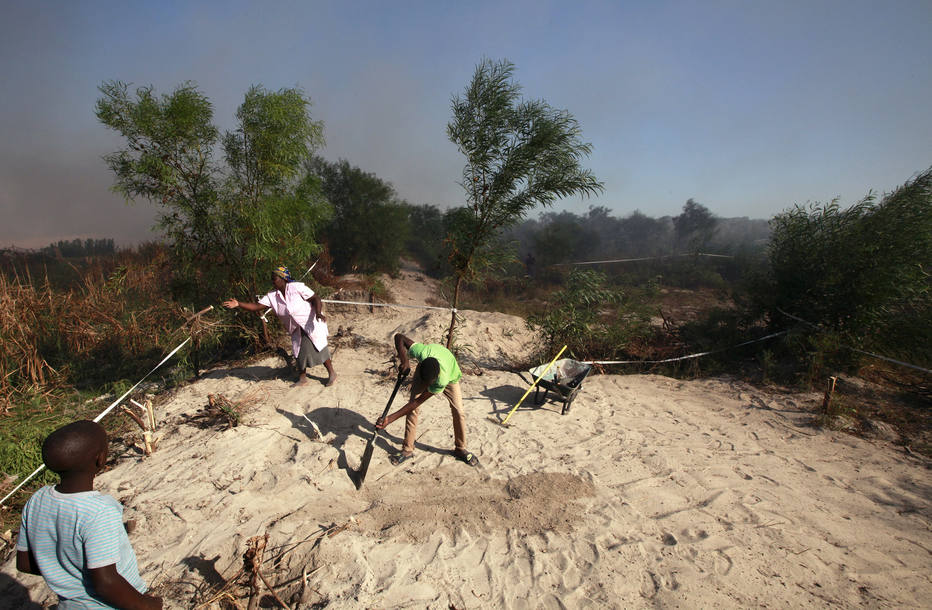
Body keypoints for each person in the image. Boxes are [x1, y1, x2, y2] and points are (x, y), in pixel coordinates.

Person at [16, 420, 162, 610]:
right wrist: (148, 605)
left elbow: (24, 564)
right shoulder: (99, 512)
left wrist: (67, 576)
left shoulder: (36, 500)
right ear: (100, 459)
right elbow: (106, 584)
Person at [375, 333, 479, 466]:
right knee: (413, 411)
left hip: (451, 376)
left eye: (430, 384)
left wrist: (390, 419)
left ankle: (460, 448)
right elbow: (398, 337)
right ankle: (407, 450)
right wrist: (405, 360)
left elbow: (416, 402)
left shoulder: (442, 380)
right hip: (428, 368)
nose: (428, 386)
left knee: (458, 411)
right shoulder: (422, 352)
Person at [224, 266, 336, 387]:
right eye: (272, 279)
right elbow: (256, 306)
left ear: (283, 278)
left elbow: (316, 298)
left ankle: (332, 373)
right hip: (295, 328)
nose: (273, 281)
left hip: (310, 322)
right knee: (298, 352)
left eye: (275, 279)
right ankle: (302, 379)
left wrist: (318, 313)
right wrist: (238, 304)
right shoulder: (272, 296)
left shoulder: (296, 287)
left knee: (319, 346)